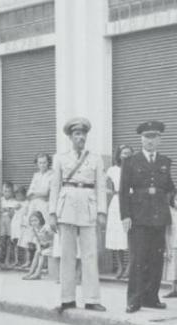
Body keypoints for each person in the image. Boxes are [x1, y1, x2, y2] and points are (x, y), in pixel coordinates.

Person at [49, 117, 107, 313]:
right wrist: (52, 213)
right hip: (66, 208)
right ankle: (67, 299)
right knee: (67, 255)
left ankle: (92, 298)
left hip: (89, 207)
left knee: (90, 255)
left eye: (83, 134)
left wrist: (101, 211)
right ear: (70, 137)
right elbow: (55, 186)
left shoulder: (96, 158)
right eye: (76, 134)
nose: (80, 137)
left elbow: (100, 186)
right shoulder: (60, 158)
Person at [119, 120, 175, 313]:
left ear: (160, 139)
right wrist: (125, 215)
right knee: (138, 259)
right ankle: (134, 300)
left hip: (159, 216)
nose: (150, 141)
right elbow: (123, 191)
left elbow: (169, 187)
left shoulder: (165, 162)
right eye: (146, 137)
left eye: (154, 137)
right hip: (138, 216)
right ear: (141, 139)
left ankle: (151, 298)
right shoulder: (130, 161)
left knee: (156, 258)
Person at [106, 144, 131, 280]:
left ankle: (130, 266)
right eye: (123, 153)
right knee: (116, 236)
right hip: (116, 203)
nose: (126, 156)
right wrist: (112, 192)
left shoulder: (135, 168)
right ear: (119, 155)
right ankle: (121, 266)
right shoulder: (113, 170)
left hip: (131, 202)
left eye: (128, 153)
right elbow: (101, 184)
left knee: (129, 235)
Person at [23, 211, 53, 280]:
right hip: (44, 247)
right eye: (31, 221)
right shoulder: (34, 229)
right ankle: (30, 272)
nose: (33, 222)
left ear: (40, 219)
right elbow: (37, 240)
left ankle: (37, 273)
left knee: (42, 253)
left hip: (52, 247)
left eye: (35, 220)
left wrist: (46, 244)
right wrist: (39, 248)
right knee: (37, 252)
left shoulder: (46, 228)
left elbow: (54, 240)